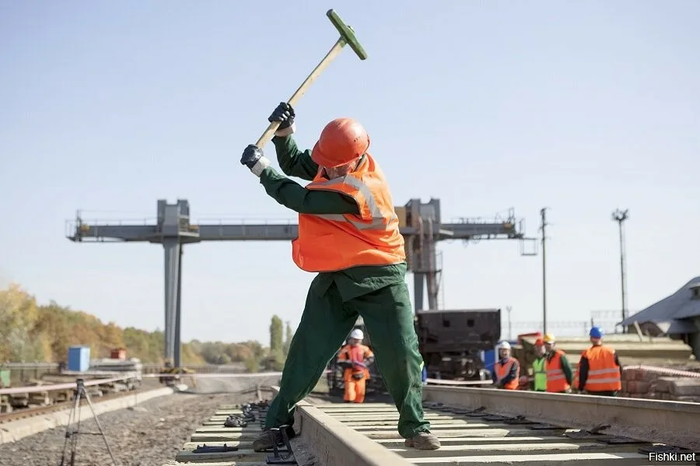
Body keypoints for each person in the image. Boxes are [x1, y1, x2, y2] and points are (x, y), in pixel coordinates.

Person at [239, 102, 440, 451]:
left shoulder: (360, 190)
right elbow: (297, 163)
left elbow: (302, 199)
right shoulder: (335, 161)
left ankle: (415, 427)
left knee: (400, 354)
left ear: (354, 160)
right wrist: (285, 134)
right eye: (325, 164)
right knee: (307, 349)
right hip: (337, 274)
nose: (326, 172)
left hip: (380, 275)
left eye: (333, 167)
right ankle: (276, 425)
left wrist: (262, 171)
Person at [576, 326, 622, 396]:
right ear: (602, 337)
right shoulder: (611, 352)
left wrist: (580, 388)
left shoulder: (587, 354)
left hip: (593, 390)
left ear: (591, 338)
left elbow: (583, 374)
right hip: (611, 390)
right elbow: (620, 370)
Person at [336, 328, 374, 403]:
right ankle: (348, 408)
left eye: (358, 339)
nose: (356, 341)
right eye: (355, 339)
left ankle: (358, 409)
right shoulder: (346, 349)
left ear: (361, 340)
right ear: (351, 339)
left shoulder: (364, 349)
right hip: (350, 375)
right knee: (350, 394)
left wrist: (365, 364)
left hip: (361, 374)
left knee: (360, 394)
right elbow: (340, 361)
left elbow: (371, 357)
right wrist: (350, 363)